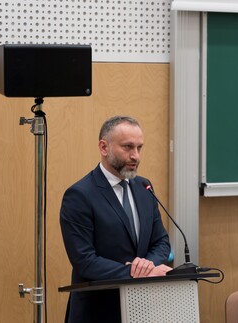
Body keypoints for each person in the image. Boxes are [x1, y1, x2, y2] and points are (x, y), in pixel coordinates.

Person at [60, 115, 172, 323]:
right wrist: (135, 271)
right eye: (128, 147)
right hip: (97, 312)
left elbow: (161, 242)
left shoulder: (143, 187)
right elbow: (84, 260)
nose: (135, 156)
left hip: (142, 308)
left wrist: (148, 266)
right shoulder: (79, 195)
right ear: (104, 147)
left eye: (139, 148)